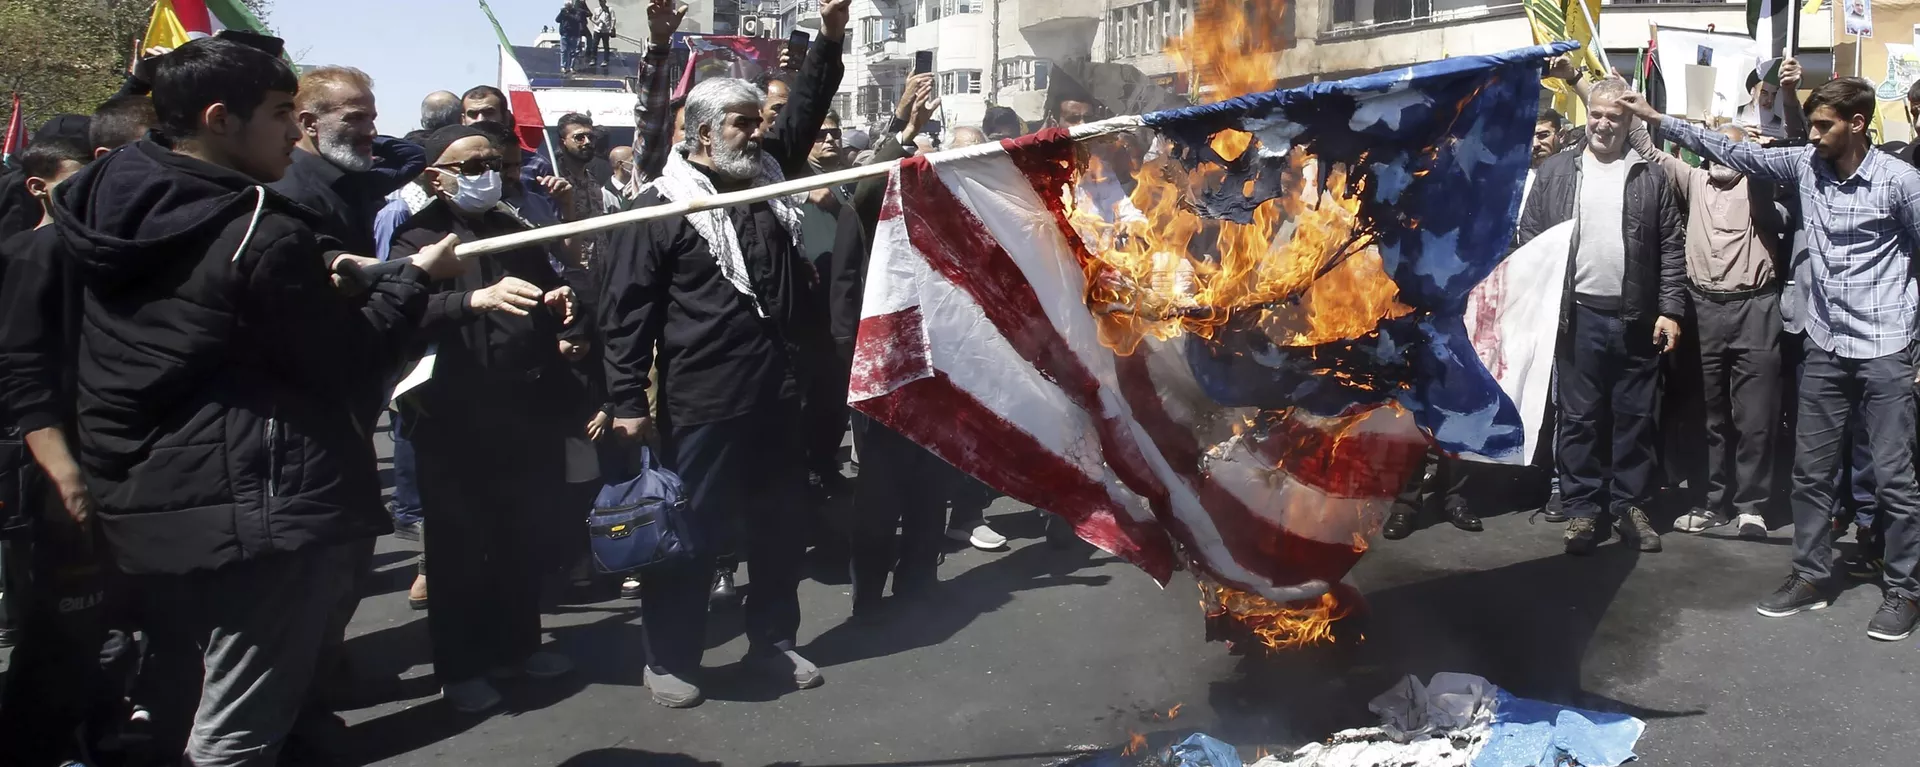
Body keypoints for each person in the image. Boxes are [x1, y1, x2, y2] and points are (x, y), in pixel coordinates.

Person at [45, 36, 466, 764]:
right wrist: (410, 280)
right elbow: (346, 359)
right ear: (218, 119)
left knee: (181, 692)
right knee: (238, 727)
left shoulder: (95, 203)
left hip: (146, 496)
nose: (292, 130)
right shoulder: (259, 231)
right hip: (249, 506)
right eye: (279, 114)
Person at [599, 0, 850, 709]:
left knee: (778, 528)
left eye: (756, 121)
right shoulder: (661, 204)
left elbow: (803, 110)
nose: (758, 131)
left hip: (777, 394)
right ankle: (670, 657)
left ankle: (772, 642)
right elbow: (623, 314)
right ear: (704, 133)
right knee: (691, 537)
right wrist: (624, 401)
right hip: (703, 400)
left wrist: (827, 35)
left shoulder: (770, 178)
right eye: (742, 122)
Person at [1620, 78, 1920, 641]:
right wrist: (1658, 118)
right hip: (1826, 347)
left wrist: (1915, 340)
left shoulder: (1901, 183)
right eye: (1810, 125)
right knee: (1811, 473)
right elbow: (1735, 151)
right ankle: (1810, 573)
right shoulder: (1808, 166)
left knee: (1893, 479)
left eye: (1824, 124)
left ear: (1857, 124)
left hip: (1885, 350)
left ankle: (1904, 589)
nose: (1813, 135)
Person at [388, 124, 586, 713]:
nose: (487, 174)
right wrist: (470, 299)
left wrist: (560, 306)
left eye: (494, 163)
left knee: (520, 537)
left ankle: (518, 645)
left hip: (524, 410)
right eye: (472, 164)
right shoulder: (417, 239)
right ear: (435, 176)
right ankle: (462, 664)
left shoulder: (511, 226)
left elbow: (552, 283)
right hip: (454, 418)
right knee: (459, 550)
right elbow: (397, 312)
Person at [1514, 77, 1685, 556]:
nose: (1603, 124)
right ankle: (1583, 512)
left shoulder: (1650, 177)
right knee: (1579, 420)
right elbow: (1530, 237)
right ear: (1585, 115)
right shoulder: (1554, 172)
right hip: (1577, 319)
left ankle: (1631, 506)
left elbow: (1672, 248)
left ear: (1629, 120)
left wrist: (1670, 310)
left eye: (1614, 116)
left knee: (1635, 419)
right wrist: (1541, 306)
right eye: (1596, 114)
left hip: (1635, 319)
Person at [1626, 114, 1788, 537]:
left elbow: (1771, 158)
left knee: (1755, 416)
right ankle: (1710, 502)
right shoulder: (1693, 180)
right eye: (1712, 148)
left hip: (1755, 307)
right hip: (1703, 309)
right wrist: (1601, 92)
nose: (1719, 157)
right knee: (1706, 415)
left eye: (1727, 148)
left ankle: (1752, 507)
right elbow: (1646, 146)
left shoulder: (1758, 182)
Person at [557, 0, 591, 73]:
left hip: (573, 34)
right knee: (564, 51)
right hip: (565, 33)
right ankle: (563, 66)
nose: (567, 8)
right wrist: (561, 13)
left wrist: (568, 14)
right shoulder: (564, 12)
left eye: (568, 6)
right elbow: (557, 20)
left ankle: (571, 67)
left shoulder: (576, 11)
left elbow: (577, 19)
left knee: (573, 52)